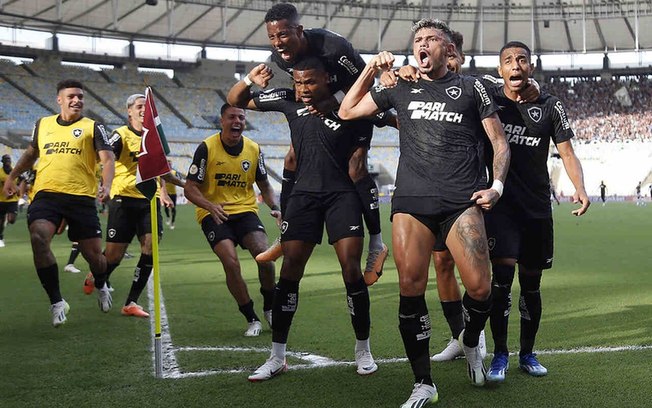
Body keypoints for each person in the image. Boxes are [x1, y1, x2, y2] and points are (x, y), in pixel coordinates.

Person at [339, 18, 510, 404]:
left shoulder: (472, 87)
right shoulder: (401, 85)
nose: (424, 43)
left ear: (449, 51)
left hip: (461, 201)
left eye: (432, 39)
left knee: (482, 289)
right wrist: (371, 68)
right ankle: (424, 383)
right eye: (418, 39)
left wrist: (496, 186)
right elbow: (348, 111)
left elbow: (499, 142)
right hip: (412, 203)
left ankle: (469, 341)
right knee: (410, 288)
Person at [228, 57, 379, 380]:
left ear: (327, 79)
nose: (303, 89)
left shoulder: (351, 109)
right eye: (298, 82)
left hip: (342, 197)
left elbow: (359, 169)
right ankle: (277, 356)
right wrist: (250, 79)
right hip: (304, 197)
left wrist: (375, 233)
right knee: (290, 272)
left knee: (351, 270)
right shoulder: (287, 100)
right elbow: (236, 101)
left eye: (310, 82)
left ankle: (363, 349)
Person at [256, 3, 389, 285]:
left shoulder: (335, 48)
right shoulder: (279, 59)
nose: (278, 44)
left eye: (283, 35)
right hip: (322, 107)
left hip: (352, 104)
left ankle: (377, 244)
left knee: (356, 167)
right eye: (273, 37)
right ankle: (285, 234)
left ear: (299, 31)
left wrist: (336, 100)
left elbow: (367, 79)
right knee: (293, 158)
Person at [482, 41, 590, 383]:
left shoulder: (550, 105)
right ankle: (500, 354)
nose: (516, 65)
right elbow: (463, 78)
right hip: (502, 207)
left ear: (532, 66)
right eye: (509, 61)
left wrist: (580, 188)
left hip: (537, 208)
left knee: (531, 284)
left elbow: (568, 153)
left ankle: (527, 353)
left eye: (522, 60)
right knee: (501, 284)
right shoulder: (490, 100)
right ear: (500, 70)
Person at [2, 79, 115, 327]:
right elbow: (31, 154)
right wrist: (12, 176)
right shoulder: (42, 125)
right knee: (38, 237)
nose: (77, 100)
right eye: (72, 96)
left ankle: (101, 282)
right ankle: (57, 302)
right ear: (60, 99)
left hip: (81, 197)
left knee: (94, 256)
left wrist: (106, 185)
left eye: (81, 97)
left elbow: (107, 159)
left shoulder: (93, 127)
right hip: (47, 194)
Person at [184, 103, 279, 336]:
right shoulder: (206, 148)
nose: (237, 121)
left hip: (245, 210)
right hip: (213, 212)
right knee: (231, 262)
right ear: (222, 121)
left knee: (265, 257)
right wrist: (209, 205)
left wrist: (275, 207)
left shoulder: (254, 149)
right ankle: (251, 318)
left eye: (241, 118)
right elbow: (190, 188)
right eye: (232, 117)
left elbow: (264, 184)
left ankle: (269, 306)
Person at [92, 93, 184, 318]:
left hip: (148, 202)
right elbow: (105, 159)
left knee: (151, 249)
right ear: (129, 111)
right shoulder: (119, 135)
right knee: (113, 256)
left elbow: (161, 170)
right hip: (123, 199)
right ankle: (98, 278)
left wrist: (183, 185)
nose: (144, 110)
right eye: (139, 106)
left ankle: (131, 302)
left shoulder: (154, 138)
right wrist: (104, 185)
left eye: (147, 106)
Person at [0, 154, 19, 248]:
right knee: (0, 221)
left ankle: (7, 219)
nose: (8, 161)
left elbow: (21, 182)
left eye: (9, 159)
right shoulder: (0, 173)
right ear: (2, 161)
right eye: (6, 160)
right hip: (1, 200)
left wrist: (17, 190)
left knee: (12, 220)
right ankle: (0, 237)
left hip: (13, 200)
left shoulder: (15, 171)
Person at [163, 159, 183, 230]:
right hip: (166, 194)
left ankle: (172, 222)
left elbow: (180, 178)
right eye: (168, 164)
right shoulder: (163, 173)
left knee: (173, 209)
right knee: (166, 208)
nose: (169, 165)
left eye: (170, 164)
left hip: (173, 193)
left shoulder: (174, 172)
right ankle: (168, 217)